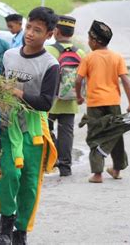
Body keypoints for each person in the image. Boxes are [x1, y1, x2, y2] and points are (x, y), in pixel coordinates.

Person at [0, 7, 59, 245]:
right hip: (8, 124)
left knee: (30, 183)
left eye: (38, 30)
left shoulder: (50, 65)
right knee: (9, 174)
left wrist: (16, 91)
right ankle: (6, 221)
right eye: (29, 27)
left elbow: (45, 103)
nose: (30, 34)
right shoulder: (9, 56)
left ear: (49, 35)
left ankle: (21, 231)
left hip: (34, 130)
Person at [75, 20, 130, 184]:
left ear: (94, 41)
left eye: (89, 39)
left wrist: (79, 97)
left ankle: (97, 174)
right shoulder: (117, 57)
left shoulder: (88, 58)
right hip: (113, 102)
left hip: (94, 104)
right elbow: (126, 80)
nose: (88, 42)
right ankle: (117, 169)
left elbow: (78, 80)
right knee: (115, 133)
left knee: (96, 135)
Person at [45, 16, 86, 176]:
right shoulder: (81, 53)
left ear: (56, 31)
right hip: (71, 100)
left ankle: (51, 159)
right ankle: (65, 167)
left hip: (50, 100)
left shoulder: (49, 51)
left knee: (46, 130)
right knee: (67, 133)